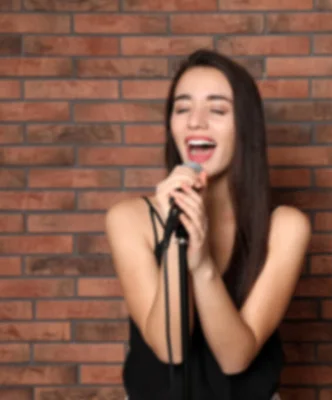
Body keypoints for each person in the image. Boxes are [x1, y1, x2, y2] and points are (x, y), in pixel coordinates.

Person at [104, 49, 312, 399]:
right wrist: (177, 233)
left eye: (216, 109)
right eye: (182, 108)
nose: (195, 122)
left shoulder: (285, 227)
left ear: (245, 127)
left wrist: (201, 266)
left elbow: (235, 358)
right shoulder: (128, 219)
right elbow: (171, 349)